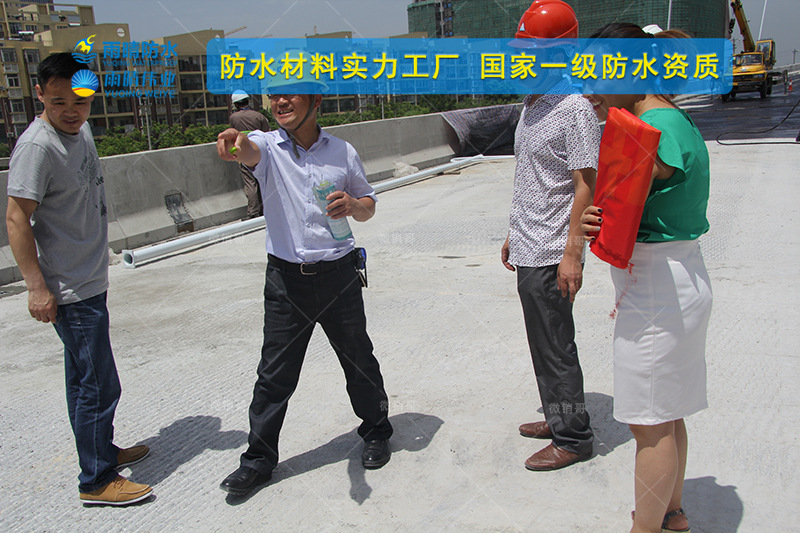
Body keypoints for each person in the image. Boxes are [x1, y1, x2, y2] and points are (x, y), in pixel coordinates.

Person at [215, 74, 393, 497]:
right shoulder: (268, 147)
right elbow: (246, 148)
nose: (280, 102)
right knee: (274, 374)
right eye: (274, 96)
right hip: (286, 282)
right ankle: (258, 460)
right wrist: (234, 142)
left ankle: (377, 431)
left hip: (339, 275)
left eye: (289, 94)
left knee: (358, 359)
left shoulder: (342, 152)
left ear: (315, 101)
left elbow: (368, 206)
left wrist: (353, 204)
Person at [581, 23, 713, 533]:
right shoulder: (673, 117)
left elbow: (638, 184)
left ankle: (647, 528)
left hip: (658, 290)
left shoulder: (649, 127)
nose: (589, 89)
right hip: (679, 278)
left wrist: (598, 217)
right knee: (669, 411)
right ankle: (671, 513)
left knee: (650, 424)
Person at [5, 52, 152, 506]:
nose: (71, 111)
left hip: (90, 279)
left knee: (84, 379)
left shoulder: (80, 130)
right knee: (99, 384)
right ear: (39, 95)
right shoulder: (37, 148)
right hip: (69, 289)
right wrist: (36, 287)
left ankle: (101, 449)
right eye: (58, 102)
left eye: (80, 101)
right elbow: (15, 218)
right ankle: (96, 479)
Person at [500, 0, 599, 471]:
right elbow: (534, 178)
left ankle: (573, 438)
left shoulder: (574, 108)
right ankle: (559, 416)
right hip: (528, 243)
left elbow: (586, 185)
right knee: (542, 342)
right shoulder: (533, 104)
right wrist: (512, 233)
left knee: (556, 345)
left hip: (552, 250)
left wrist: (572, 254)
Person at [228, 90, 271, 219]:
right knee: (263, 181)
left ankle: (253, 213)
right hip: (261, 152)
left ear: (236, 104)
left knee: (250, 183)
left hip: (244, 154)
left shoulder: (234, 118)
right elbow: (268, 133)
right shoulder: (258, 116)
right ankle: (265, 209)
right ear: (248, 101)